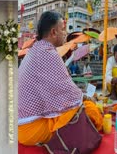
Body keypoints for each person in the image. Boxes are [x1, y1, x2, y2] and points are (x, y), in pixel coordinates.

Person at [18, 11, 102, 146]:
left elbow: (59, 90)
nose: (65, 33)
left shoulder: (35, 51)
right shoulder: (48, 53)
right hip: (32, 129)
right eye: (62, 29)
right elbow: (70, 93)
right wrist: (86, 97)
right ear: (53, 32)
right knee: (90, 109)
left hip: (22, 127)